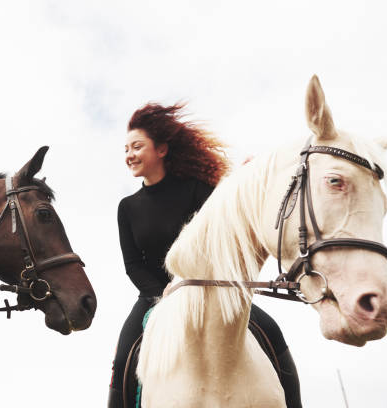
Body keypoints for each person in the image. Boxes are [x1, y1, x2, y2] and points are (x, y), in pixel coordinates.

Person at [108, 103, 302, 408]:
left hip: (209, 290)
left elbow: (227, 218)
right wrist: (163, 294)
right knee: (123, 360)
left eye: (137, 146)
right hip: (155, 297)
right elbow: (133, 265)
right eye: (126, 149)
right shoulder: (127, 207)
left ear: (161, 150)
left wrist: (244, 178)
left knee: (272, 333)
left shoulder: (197, 189)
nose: (129, 155)